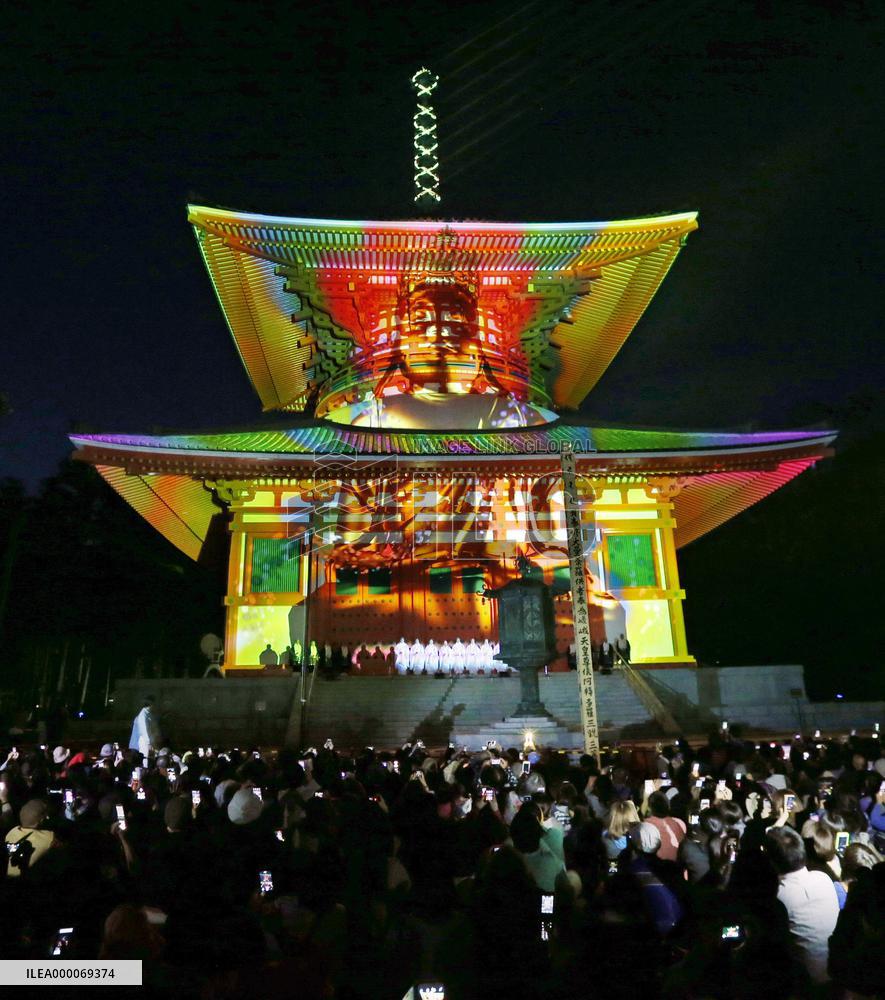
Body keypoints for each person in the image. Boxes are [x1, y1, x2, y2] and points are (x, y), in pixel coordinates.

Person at [765, 825, 839, 984]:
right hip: (837, 973)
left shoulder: (780, 898)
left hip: (807, 982)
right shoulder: (824, 879)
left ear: (770, 861)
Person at [5, 799, 56, 877]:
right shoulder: (49, 837)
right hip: (31, 884)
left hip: (9, 883)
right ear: (41, 820)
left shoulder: (11, 832)